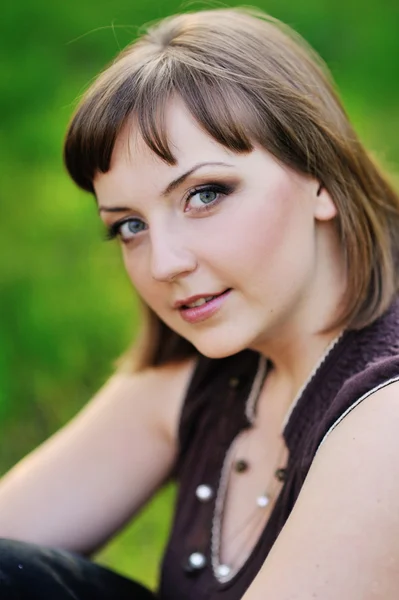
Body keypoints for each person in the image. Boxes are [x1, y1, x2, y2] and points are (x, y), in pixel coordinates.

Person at [1, 6, 399, 599]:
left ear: (320, 177)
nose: (164, 264)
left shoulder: (386, 419)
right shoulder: (212, 360)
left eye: (205, 194)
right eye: (129, 226)